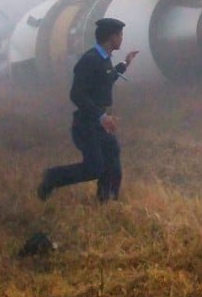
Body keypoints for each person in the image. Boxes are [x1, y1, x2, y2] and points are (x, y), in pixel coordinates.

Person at [37, 18, 139, 203]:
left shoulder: (104, 59)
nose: (122, 38)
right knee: (94, 168)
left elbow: (107, 78)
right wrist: (100, 116)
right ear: (112, 37)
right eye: (120, 35)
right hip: (87, 124)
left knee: (113, 165)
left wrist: (125, 63)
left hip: (101, 122)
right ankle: (52, 177)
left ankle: (107, 203)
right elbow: (76, 94)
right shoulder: (90, 60)